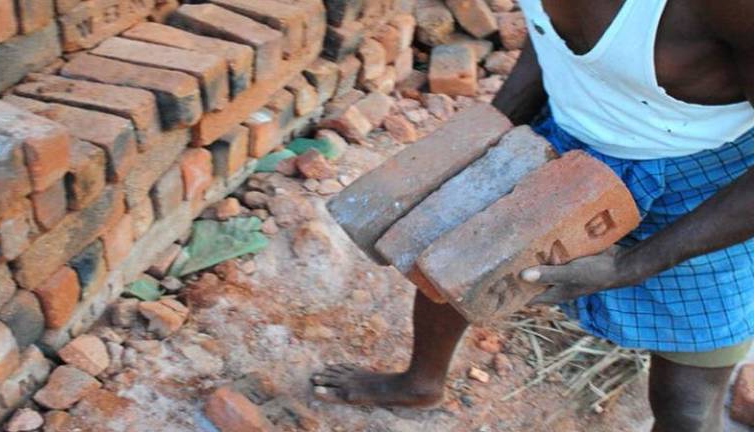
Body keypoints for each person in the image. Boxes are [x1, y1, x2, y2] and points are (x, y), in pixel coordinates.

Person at [312, 1, 754, 430]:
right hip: (562, 136)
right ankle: (421, 383)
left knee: (687, 405)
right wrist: (485, 142)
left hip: (703, 187)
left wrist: (629, 266)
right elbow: (549, 38)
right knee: (446, 261)